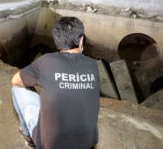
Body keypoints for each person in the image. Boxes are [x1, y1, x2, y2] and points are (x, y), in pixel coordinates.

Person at [11, 17, 100, 149]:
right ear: (81, 40)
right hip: (87, 143)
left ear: (56, 41)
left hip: (50, 145)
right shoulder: (93, 65)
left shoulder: (46, 61)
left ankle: (29, 138)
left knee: (16, 89)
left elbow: (15, 80)